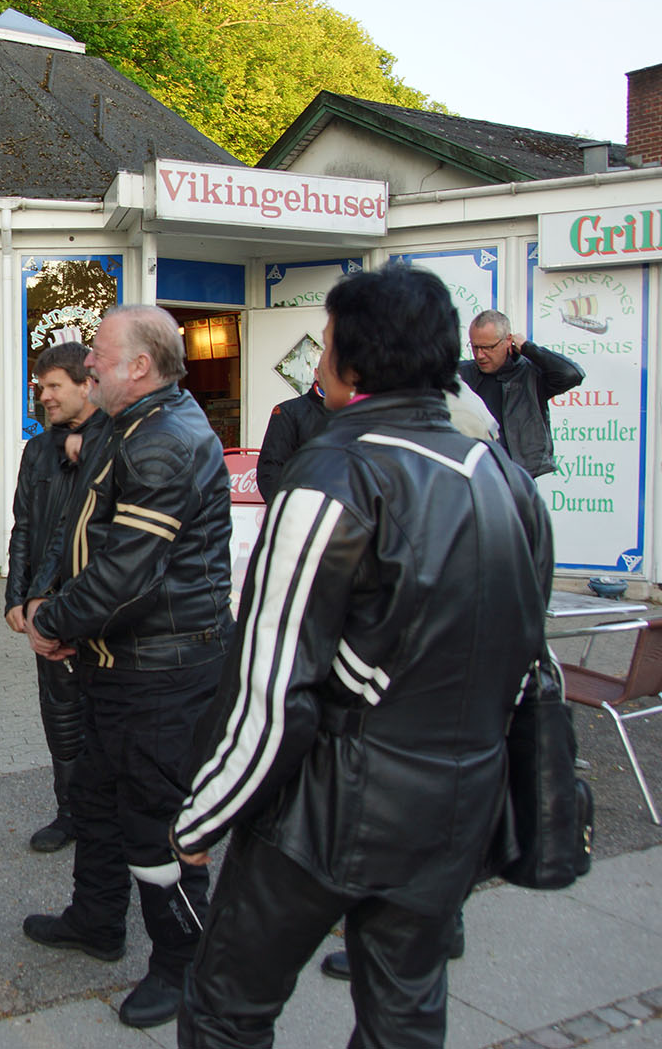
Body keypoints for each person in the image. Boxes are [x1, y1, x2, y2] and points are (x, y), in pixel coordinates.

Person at [172, 264, 553, 1048]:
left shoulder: (334, 473)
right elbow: (524, 650)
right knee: (405, 1013)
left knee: (224, 1011)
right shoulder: (508, 479)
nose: (318, 363)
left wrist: (204, 812)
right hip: (459, 801)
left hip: (333, 807)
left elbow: (272, 682)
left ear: (351, 362)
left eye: (325, 345)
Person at [20, 305, 234, 1030]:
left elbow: (129, 574)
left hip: (163, 671)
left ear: (140, 366)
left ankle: (183, 964)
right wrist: (49, 600)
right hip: (118, 659)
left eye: (100, 356)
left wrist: (55, 622)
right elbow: (76, 527)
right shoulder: (128, 425)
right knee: (97, 797)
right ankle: (96, 919)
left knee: (157, 824)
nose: (88, 365)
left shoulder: (165, 440)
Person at [5, 342, 111, 852]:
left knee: (106, 716)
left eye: (53, 386)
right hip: (46, 611)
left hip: (100, 605)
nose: (43, 396)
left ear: (87, 385)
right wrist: (16, 597)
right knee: (61, 717)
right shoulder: (38, 449)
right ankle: (71, 814)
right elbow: (24, 525)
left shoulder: (116, 439)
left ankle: (113, 816)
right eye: (39, 386)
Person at [458, 309, 584, 477]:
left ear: (508, 340)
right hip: (476, 475)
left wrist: (527, 348)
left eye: (488, 347)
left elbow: (572, 374)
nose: (480, 355)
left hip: (520, 476)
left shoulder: (531, 374)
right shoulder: (460, 375)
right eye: (475, 347)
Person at [255, 383, 328, 502]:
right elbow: (271, 468)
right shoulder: (289, 411)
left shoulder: (356, 412)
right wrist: (285, 506)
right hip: (303, 504)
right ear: (317, 374)